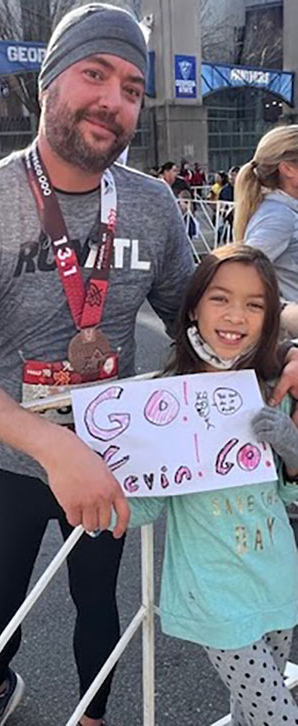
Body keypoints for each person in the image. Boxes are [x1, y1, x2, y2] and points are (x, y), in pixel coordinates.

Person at [0, 5, 195, 726]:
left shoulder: (152, 204)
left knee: (99, 607)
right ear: (48, 83)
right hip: (13, 461)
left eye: (133, 88)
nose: (114, 99)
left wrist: (274, 334)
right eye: (95, 74)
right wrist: (51, 445)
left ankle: (94, 718)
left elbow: (194, 322)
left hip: (112, 456)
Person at [116, 244, 298, 725]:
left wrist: (291, 448)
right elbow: (145, 508)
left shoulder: (271, 386)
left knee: (249, 717)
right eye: (221, 298)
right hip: (215, 598)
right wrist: (95, 468)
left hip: (278, 581)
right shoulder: (164, 398)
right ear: (194, 304)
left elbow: (288, 493)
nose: (236, 315)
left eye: (255, 304)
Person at [234, 125, 298, 337]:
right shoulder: (279, 216)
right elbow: (238, 278)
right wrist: (283, 313)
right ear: (288, 169)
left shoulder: (285, 211)